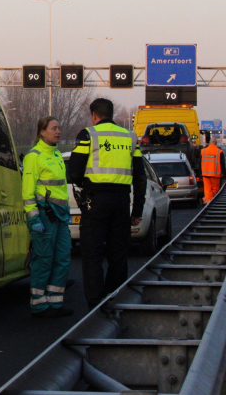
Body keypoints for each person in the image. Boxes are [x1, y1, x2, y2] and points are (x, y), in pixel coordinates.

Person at [69, 98, 146, 310]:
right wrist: (137, 209)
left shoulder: (89, 134)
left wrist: (83, 184)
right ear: (111, 114)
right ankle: (115, 296)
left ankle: (95, 303)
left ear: (94, 115)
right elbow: (140, 176)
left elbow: (74, 171)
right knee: (119, 252)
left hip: (95, 200)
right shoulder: (130, 137)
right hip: (122, 201)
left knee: (92, 253)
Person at [22, 116, 74, 319]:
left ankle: (55, 302)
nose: (58, 131)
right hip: (44, 215)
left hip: (59, 217)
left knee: (62, 259)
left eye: (59, 128)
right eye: (54, 128)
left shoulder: (57, 155)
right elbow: (27, 192)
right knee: (43, 260)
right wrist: (34, 218)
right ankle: (39, 304)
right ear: (42, 132)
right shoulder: (34, 157)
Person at [201, 137, 226, 203]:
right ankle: (213, 202)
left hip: (205, 174)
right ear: (216, 143)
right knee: (215, 190)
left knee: (207, 189)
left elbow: (199, 162)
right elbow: (222, 164)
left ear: (209, 143)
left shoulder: (203, 151)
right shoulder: (219, 151)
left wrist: (200, 172)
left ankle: (207, 202)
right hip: (216, 174)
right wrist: (224, 174)